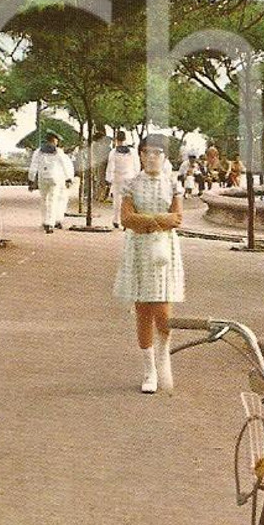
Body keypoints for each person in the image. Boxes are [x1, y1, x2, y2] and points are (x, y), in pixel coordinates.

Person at [114, 134, 184, 395]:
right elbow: (126, 218)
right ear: (140, 155)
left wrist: (147, 221)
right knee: (143, 309)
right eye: (147, 152)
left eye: (157, 152)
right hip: (138, 250)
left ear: (165, 157)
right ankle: (149, 369)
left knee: (163, 311)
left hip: (164, 252)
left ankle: (164, 357)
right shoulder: (131, 185)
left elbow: (177, 219)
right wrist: (157, 220)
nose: (152, 157)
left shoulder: (173, 184)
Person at [28, 132, 74, 233]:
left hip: (42, 178)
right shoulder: (58, 152)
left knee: (44, 200)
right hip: (55, 179)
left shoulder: (38, 152)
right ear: (54, 141)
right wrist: (68, 178)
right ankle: (50, 223)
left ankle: (44, 221)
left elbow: (33, 167)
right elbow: (65, 166)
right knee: (53, 200)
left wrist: (31, 180)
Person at [106, 131, 140, 228]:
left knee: (117, 200)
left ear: (116, 140)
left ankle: (116, 220)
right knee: (128, 200)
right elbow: (136, 166)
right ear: (125, 139)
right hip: (130, 178)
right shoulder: (132, 151)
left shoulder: (113, 152)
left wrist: (109, 179)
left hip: (117, 178)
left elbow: (110, 167)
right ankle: (126, 220)